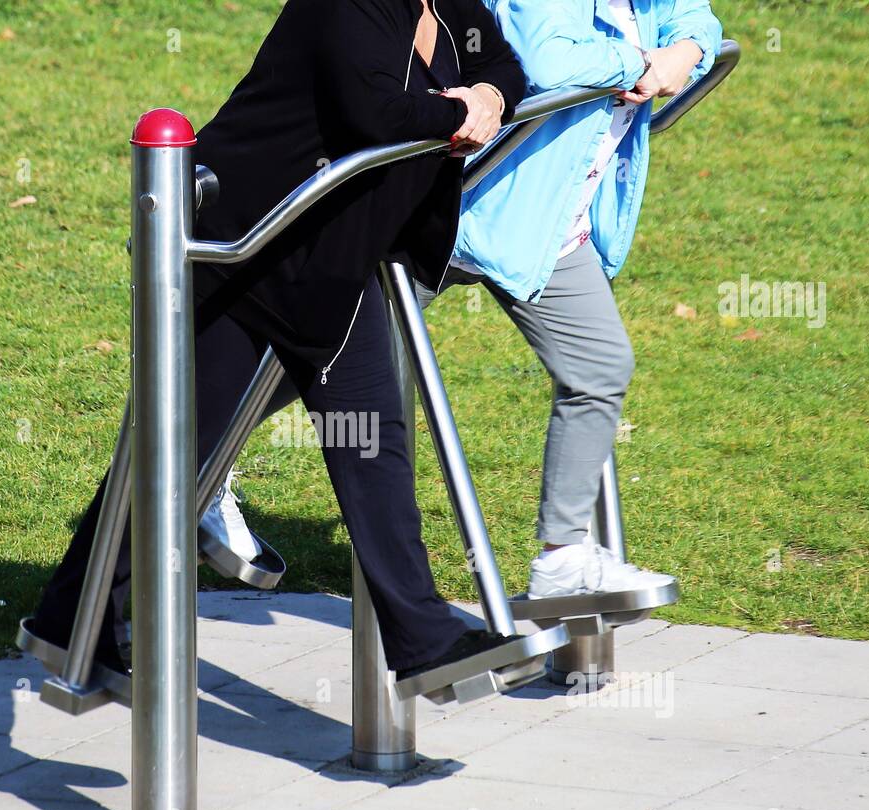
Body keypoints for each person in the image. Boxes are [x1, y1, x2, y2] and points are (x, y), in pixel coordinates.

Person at [27, 0, 533, 685]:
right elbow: (375, 112)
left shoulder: (445, 5)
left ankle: (423, 642)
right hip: (247, 250)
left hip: (329, 261)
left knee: (369, 440)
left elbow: (504, 66)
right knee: (177, 453)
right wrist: (461, 115)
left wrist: (487, 94)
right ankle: (67, 623)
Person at [210, 0, 723, 601]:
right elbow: (548, 59)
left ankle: (563, 558)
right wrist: (640, 62)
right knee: (318, 352)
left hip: (550, 226)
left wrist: (681, 55)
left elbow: (698, 21)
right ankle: (200, 467)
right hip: (471, 207)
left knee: (600, 364)